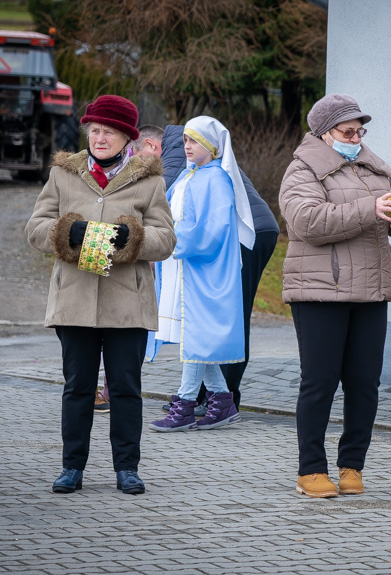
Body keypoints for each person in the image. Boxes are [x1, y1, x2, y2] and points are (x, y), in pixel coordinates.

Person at [25, 94, 176, 494]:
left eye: (109, 131)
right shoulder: (63, 175)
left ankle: (127, 468)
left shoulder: (150, 180)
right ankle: (72, 468)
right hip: (74, 299)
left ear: (128, 137)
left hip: (128, 301)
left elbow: (166, 239)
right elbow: (35, 227)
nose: (100, 137)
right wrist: (65, 231)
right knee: (78, 386)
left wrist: (134, 237)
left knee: (126, 387)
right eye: (94, 130)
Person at [280, 94, 391, 498]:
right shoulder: (301, 170)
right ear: (325, 133)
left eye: (360, 131)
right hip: (320, 291)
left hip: (370, 289)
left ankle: (352, 467)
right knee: (320, 382)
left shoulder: (373, 168)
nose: (356, 138)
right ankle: (310, 470)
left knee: (364, 384)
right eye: (348, 131)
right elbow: (306, 222)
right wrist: (369, 207)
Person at [136, 124, 279, 411]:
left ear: (151, 146)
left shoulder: (178, 150)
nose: (137, 166)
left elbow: (160, 201)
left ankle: (222, 398)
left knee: (228, 315)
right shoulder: (187, 145)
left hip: (245, 235)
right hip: (235, 232)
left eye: (136, 156)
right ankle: (213, 395)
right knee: (209, 314)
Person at [147, 116, 251, 432]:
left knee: (194, 336)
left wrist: (175, 240)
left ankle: (185, 404)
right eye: (186, 140)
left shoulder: (217, 179)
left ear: (212, 145)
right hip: (182, 266)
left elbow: (215, 229)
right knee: (194, 336)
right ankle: (222, 401)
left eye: (195, 141)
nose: (188, 146)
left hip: (201, 269)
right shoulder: (189, 176)